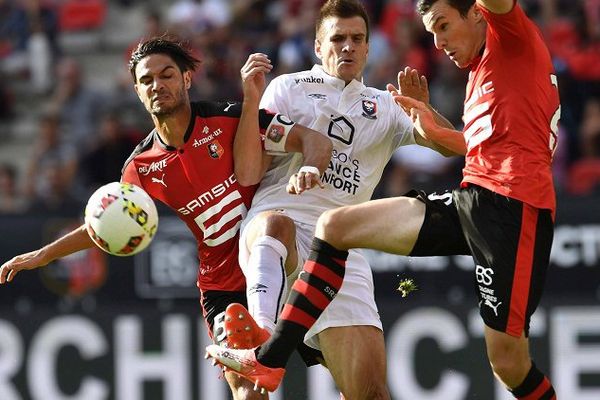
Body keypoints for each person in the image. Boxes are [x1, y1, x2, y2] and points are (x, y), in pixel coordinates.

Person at [207, 0, 560, 399]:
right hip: (293, 220)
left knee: (498, 366)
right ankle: (268, 351)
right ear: (318, 44)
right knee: (320, 226)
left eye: (357, 39)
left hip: (510, 207)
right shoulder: (288, 88)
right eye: (337, 38)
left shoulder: (496, 48)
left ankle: (269, 355)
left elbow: (446, 144)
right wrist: (252, 104)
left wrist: (422, 112)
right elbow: (473, 147)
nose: (348, 47)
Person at [0, 36, 332, 400]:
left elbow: (312, 140)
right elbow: (103, 227)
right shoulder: (140, 167)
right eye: (147, 80)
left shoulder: (233, 118)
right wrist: (44, 255)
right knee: (247, 390)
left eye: (167, 75)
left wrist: (311, 170)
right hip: (222, 287)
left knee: (351, 375)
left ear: (186, 79)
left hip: (276, 257)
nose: (158, 85)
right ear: (138, 92)